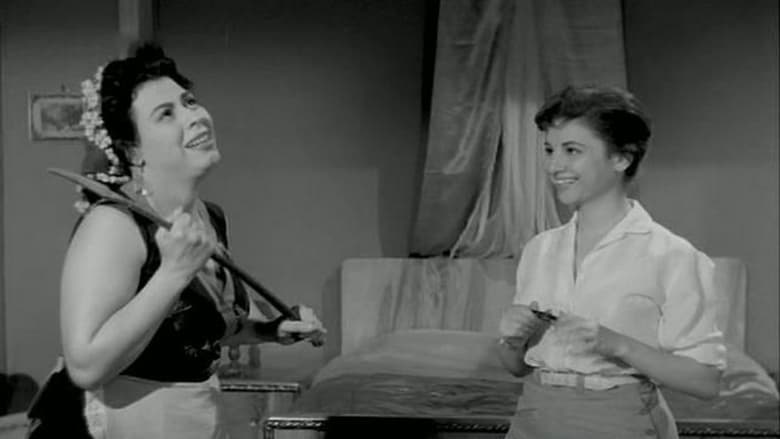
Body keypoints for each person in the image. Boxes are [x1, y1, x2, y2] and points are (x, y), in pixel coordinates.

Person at [54, 43, 326, 438]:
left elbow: (200, 328)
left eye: (190, 102)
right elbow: (86, 367)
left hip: (196, 419)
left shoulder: (208, 217)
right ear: (132, 149)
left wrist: (270, 330)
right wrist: (173, 273)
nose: (195, 117)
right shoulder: (113, 225)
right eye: (166, 114)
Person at [497, 85, 726, 438]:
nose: (554, 166)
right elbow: (517, 368)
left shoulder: (672, 256)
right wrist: (512, 340)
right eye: (549, 150)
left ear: (622, 158)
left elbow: (705, 381)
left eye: (572, 151)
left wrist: (619, 344)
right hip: (533, 417)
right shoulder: (539, 249)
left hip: (619, 421)